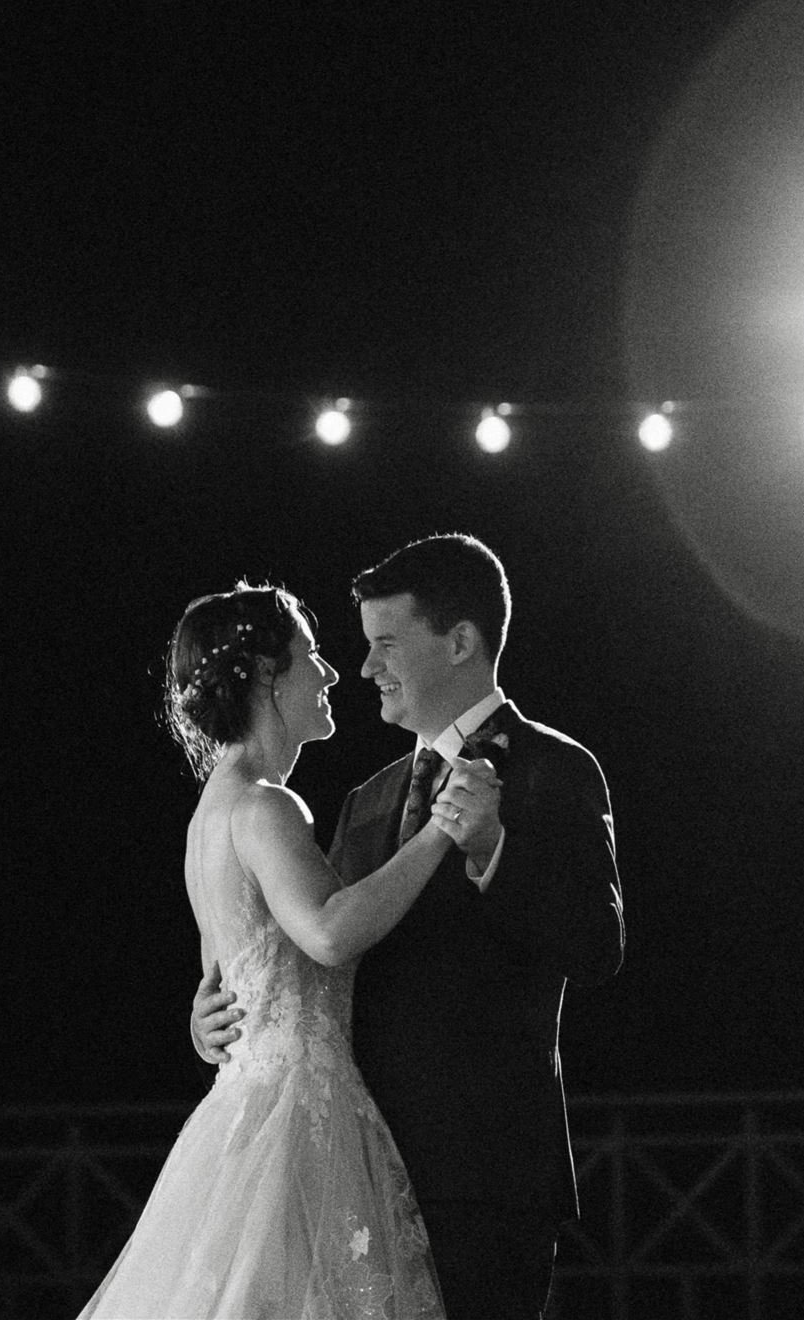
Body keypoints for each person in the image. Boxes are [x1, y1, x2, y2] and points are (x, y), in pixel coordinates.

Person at [193, 535, 624, 1320]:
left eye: (385, 644)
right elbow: (316, 946)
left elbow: (596, 946)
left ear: (460, 642)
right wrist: (218, 1008)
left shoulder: (554, 769)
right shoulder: (367, 797)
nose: (364, 668)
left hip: (484, 1174)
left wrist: (492, 844)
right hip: (353, 1168)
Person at [75, 581, 468, 1320]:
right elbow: (327, 933)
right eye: (311, 655)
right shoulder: (264, 804)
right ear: (264, 675)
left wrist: (203, 1020)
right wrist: (440, 831)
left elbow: (222, 980)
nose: (328, 674)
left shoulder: (209, 812)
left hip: (245, 1109)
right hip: (295, 1114)